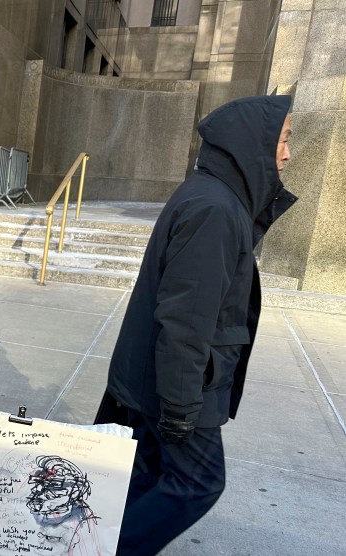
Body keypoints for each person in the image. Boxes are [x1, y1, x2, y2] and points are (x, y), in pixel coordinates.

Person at [94, 95, 296, 555]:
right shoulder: (215, 209)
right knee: (197, 482)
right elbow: (185, 319)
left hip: (160, 380)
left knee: (146, 476)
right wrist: (182, 406)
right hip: (179, 385)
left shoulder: (213, 197)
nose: (287, 153)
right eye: (283, 140)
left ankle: (94, 543)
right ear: (253, 146)